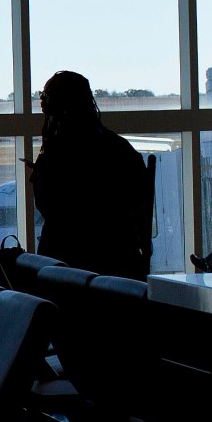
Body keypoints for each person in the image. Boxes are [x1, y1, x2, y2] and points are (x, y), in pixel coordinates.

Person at [29, 71, 152, 279]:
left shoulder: (58, 152)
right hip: (119, 261)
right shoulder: (120, 148)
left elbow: (48, 205)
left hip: (69, 264)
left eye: (46, 97)